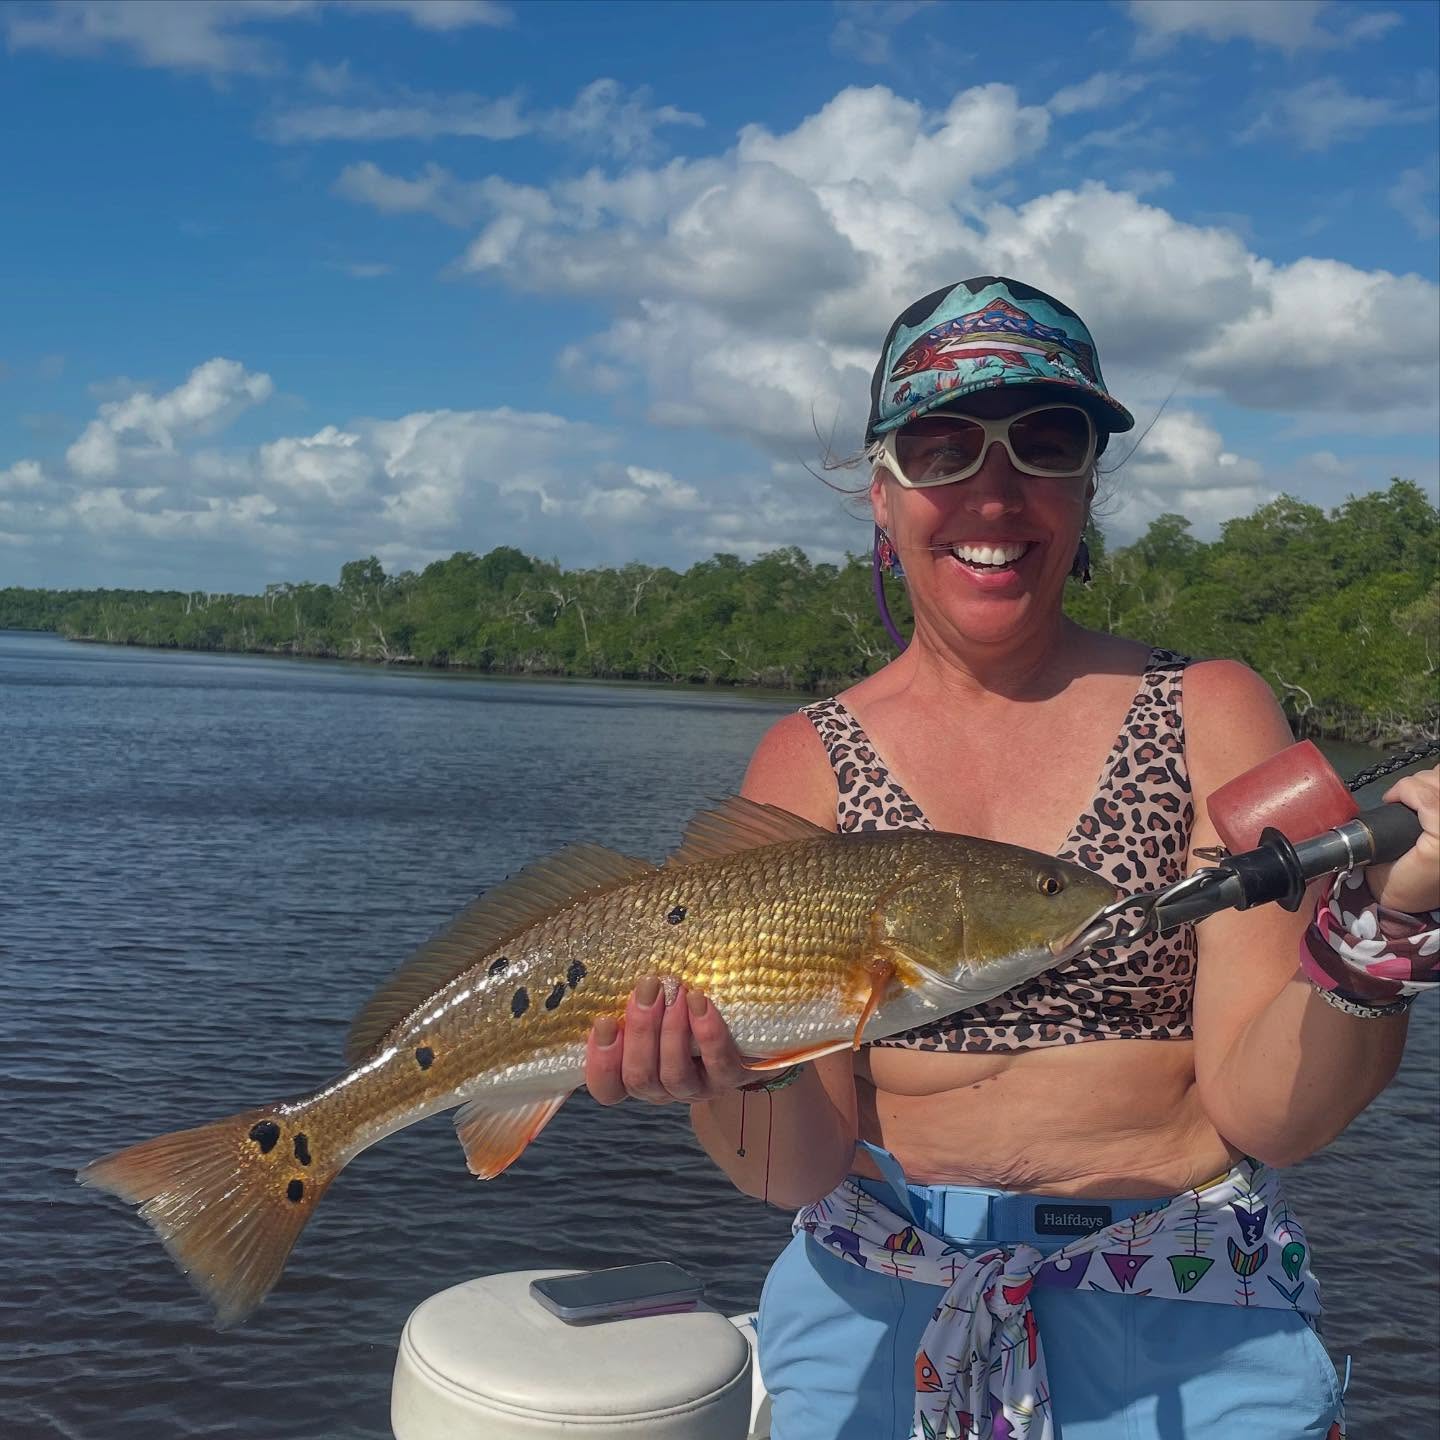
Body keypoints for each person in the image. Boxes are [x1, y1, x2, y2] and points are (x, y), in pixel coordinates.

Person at [583, 277, 1440, 1440]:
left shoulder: (1211, 712)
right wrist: (744, 1068)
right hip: (877, 1297)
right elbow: (792, 1172)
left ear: (1088, 484)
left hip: (1187, 1299)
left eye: (1045, 441)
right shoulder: (806, 760)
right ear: (881, 494)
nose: (994, 489)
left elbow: (1270, 1113)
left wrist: (1375, 938)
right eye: (942, 447)